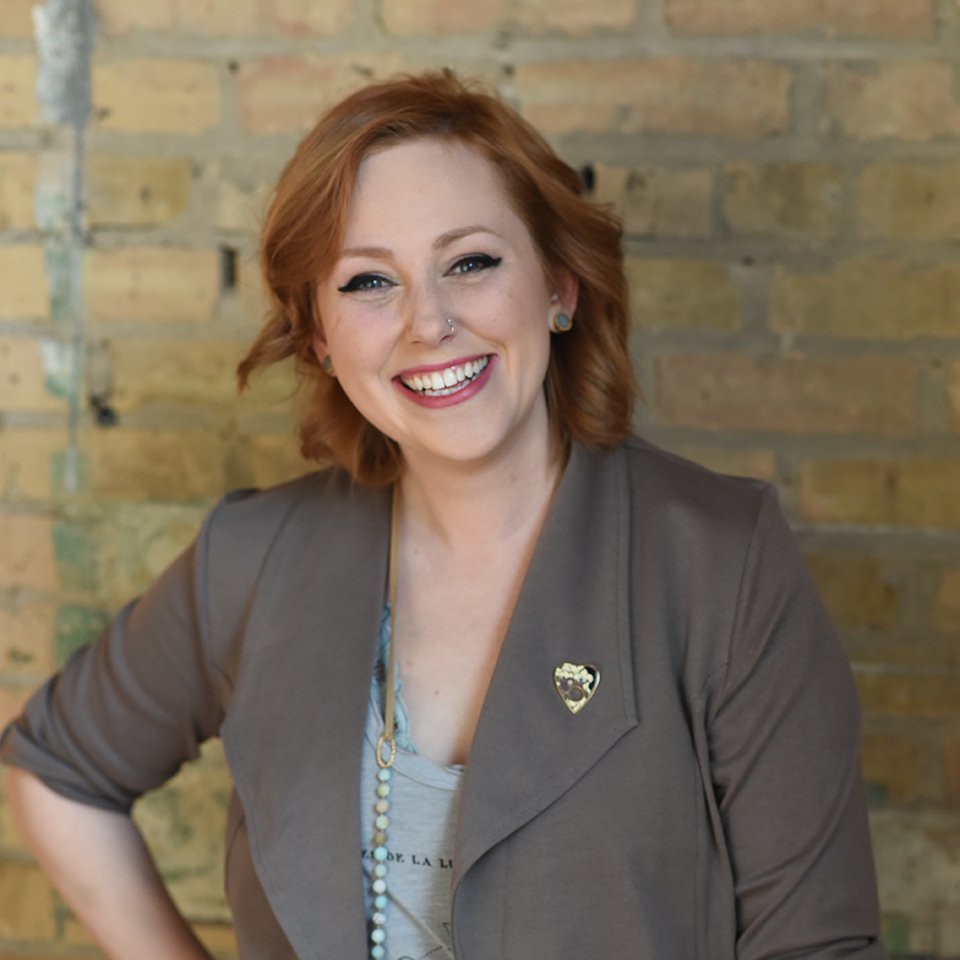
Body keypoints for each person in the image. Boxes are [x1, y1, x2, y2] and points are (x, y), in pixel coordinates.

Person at [1, 70, 885, 960]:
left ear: (560, 287)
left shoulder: (721, 563)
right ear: (318, 335)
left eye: (471, 262)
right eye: (367, 283)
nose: (430, 323)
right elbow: (58, 771)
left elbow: (818, 947)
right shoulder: (253, 557)